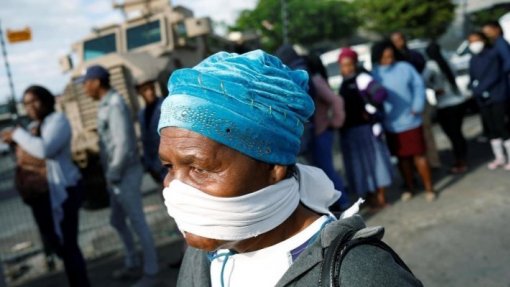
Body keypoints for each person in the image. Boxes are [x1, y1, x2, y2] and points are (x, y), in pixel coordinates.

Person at [158, 50, 423, 286]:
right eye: (169, 167)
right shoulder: (203, 254)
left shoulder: (362, 274)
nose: (175, 188)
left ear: (274, 167)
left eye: (200, 168)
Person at [1, 85, 90, 287]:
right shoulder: (36, 126)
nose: (30, 107)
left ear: (47, 100)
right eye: (26, 103)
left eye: (34, 101)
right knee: (56, 243)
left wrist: (17, 134)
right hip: (45, 193)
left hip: (65, 189)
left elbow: (45, 149)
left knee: (68, 246)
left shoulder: (58, 121)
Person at [81, 65, 159, 287]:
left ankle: (151, 273)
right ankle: (132, 261)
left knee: (137, 221)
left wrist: (113, 174)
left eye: (87, 82)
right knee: (116, 220)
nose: (85, 88)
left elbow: (123, 145)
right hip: (115, 175)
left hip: (124, 174)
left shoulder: (114, 105)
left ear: (96, 82)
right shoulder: (106, 104)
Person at [275, 45, 350, 210]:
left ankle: (344, 204)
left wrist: (335, 122)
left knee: (326, 171)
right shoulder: (306, 79)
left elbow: (336, 101)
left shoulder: (313, 80)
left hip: (321, 133)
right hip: (315, 133)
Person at [371, 41, 436, 202]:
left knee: (420, 155)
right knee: (402, 159)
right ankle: (410, 187)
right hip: (391, 124)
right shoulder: (375, 73)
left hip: (411, 119)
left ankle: (429, 188)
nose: (389, 60)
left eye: (391, 56)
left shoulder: (405, 68)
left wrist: (417, 105)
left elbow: (418, 86)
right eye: (385, 57)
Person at [337, 48, 393, 210]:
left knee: (376, 164)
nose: (345, 69)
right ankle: (370, 198)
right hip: (351, 131)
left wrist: (370, 109)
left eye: (348, 65)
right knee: (361, 167)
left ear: (355, 64)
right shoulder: (344, 82)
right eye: (343, 66)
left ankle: (382, 197)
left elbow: (380, 94)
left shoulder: (362, 78)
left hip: (365, 130)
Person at [424, 42, 468, 173]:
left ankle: (460, 162)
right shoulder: (448, 60)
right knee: (458, 133)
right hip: (459, 100)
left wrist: (434, 89)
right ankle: (462, 158)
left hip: (446, 104)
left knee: (453, 134)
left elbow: (422, 81)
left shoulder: (431, 65)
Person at [468, 32, 510, 170]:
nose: (474, 44)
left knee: (502, 127)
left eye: (476, 40)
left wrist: (479, 88)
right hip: (482, 99)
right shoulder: (473, 59)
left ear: (483, 40)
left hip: (497, 96)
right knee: (492, 130)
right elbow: (472, 77)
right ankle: (499, 158)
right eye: (471, 41)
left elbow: (495, 76)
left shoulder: (493, 55)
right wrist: (473, 88)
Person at [136, 79, 166, 185]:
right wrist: (149, 165)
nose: (150, 92)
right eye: (145, 90)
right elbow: (145, 141)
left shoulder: (165, 106)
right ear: (139, 93)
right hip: (155, 169)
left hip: (169, 165)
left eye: (151, 88)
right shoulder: (142, 115)